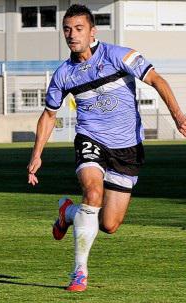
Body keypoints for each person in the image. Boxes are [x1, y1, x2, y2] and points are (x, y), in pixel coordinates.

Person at [27, 4, 186, 292]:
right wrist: (37, 154)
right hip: (91, 140)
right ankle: (79, 272)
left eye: (78, 29)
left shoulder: (119, 55)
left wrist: (177, 115)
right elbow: (49, 114)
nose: (72, 35)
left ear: (92, 31)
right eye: (67, 29)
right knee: (93, 191)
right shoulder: (64, 74)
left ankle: (69, 212)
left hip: (128, 148)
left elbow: (157, 80)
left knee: (110, 224)